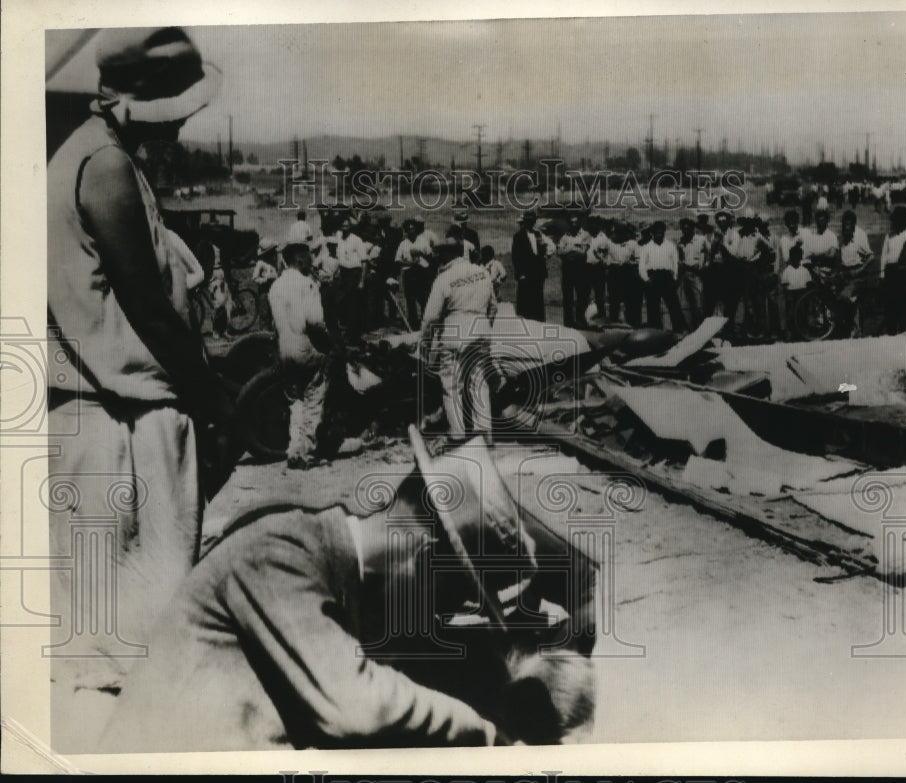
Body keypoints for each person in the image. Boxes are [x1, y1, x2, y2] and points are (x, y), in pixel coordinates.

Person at [96, 433, 595, 752]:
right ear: (420, 555)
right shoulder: (281, 552)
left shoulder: (326, 565)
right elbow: (359, 707)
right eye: (447, 598)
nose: (435, 619)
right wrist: (487, 734)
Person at [45, 26, 238, 752]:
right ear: (132, 105)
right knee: (129, 647)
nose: (180, 131)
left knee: (105, 638)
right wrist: (220, 406)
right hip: (120, 431)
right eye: (172, 117)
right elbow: (151, 311)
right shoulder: (105, 168)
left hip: (105, 422)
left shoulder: (96, 156)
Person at [269, 242, 349, 469]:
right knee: (314, 399)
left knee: (295, 402)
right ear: (300, 260)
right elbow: (314, 321)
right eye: (309, 257)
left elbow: (275, 324)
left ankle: (294, 449)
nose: (313, 261)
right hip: (306, 348)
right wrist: (330, 342)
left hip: (285, 348)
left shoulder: (276, 286)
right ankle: (307, 453)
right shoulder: (307, 284)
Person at [421, 235, 498, 444]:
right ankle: (485, 434)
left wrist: (425, 342)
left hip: (456, 331)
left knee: (452, 385)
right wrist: (484, 327)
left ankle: (458, 435)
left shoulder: (444, 278)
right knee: (479, 383)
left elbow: (430, 317)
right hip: (481, 330)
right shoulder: (482, 272)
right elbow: (494, 307)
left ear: (446, 255)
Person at [638, 220, 686, 332]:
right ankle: (655, 331)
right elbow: (642, 266)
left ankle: (679, 330)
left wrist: (674, 279)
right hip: (652, 277)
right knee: (652, 307)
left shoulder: (670, 246)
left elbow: (675, 264)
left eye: (661, 232)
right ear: (652, 233)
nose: (659, 234)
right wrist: (646, 279)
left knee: (674, 305)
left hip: (667, 277)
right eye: (657, 232)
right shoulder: (646, 247)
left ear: (664, 232)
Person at [396, 218, 438, 324]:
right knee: (410, 299)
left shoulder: (423, 240)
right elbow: (398, 261)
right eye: (409, 229)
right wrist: (410, 263)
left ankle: (425, 321)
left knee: (424, 297)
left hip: (422, 272)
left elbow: (431, 257)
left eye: (413, 229)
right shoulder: (403, 244)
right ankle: (413, 322)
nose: (411, 231)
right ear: (406, 230)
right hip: (409, 273)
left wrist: (421, 254)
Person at [510, 209, 550, 321]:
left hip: (538, 273)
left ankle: (539, 322)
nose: (530, 222)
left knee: (538, 299)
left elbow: (542, 252)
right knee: (525, 300)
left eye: (532, 220)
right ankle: (525, 323)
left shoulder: (538, 234)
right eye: (528, 220)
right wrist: (520, 273)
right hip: (525, 273)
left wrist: (544, 254)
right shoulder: (518, 236)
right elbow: (515, 257)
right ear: (525, 221)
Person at [879, 206, 906, 334]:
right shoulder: (889, 236)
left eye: (898, 221)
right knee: (890, 303)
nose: (895, 224)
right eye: (894, 221)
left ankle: (904, 330)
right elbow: (883, 255)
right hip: (889, 271)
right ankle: (891, 330)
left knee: (902, 302)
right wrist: (882, 275)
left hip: (902, 272)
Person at [557, 213, 592, 327]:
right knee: (567, 297)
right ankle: (568, 322)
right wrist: (574, 248)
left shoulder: (585, 235)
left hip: (580, 268)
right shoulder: (565, 236)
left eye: (575, 222)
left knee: (582, 296)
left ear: (579, 223)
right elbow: (559, 252)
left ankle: (580, 320)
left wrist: (568, 249)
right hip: (567, 269)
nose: (573, 225)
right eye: (571, 223)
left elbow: (582, 253)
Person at [609, 221, 643, 327]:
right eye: (616, 232)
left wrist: (629, 263)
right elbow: (606, 258)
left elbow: (639, 260)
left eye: (619, 232)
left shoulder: (633, 244)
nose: (617, 235)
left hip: (629, 274)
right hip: (614, 273)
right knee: (614, 300)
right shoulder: (611, 243)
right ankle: (614, 323)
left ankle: (632, 324)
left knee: (630, 300)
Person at [676, 217, 709, 328]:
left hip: (697, 274)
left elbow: (710, 254)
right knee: (685, 303)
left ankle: (701, 328)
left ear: (692, 227)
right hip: (685, 274)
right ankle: (690, 329)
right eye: (683, 228)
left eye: (688, 227)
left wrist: (704, 266)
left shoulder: (701, 239)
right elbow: (679, 258)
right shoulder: (680, 242)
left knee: (699, 303)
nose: (685, 229)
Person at [781, 244, 813, 340]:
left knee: (803, 313)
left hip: (803, 295)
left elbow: (809, 284)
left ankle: (804, 331)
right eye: (794, 257)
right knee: (791, 314)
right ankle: (790, 333)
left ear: (801, 257)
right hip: (791, 295)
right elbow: (785, 286)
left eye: (798, 256)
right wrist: (788, 295)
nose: (796, 259)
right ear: (791, 257)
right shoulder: (787, 271)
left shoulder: (805, 270)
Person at [585, 216, 614, 320]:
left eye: (595, 224)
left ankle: (601, 313)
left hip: (598, 267)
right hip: (586, 266)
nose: (593, 226)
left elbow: (605, 254)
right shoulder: (586, 236)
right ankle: (584, 315)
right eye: (591, 224)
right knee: (585, 292)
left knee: (599, 292)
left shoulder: (603, 238)